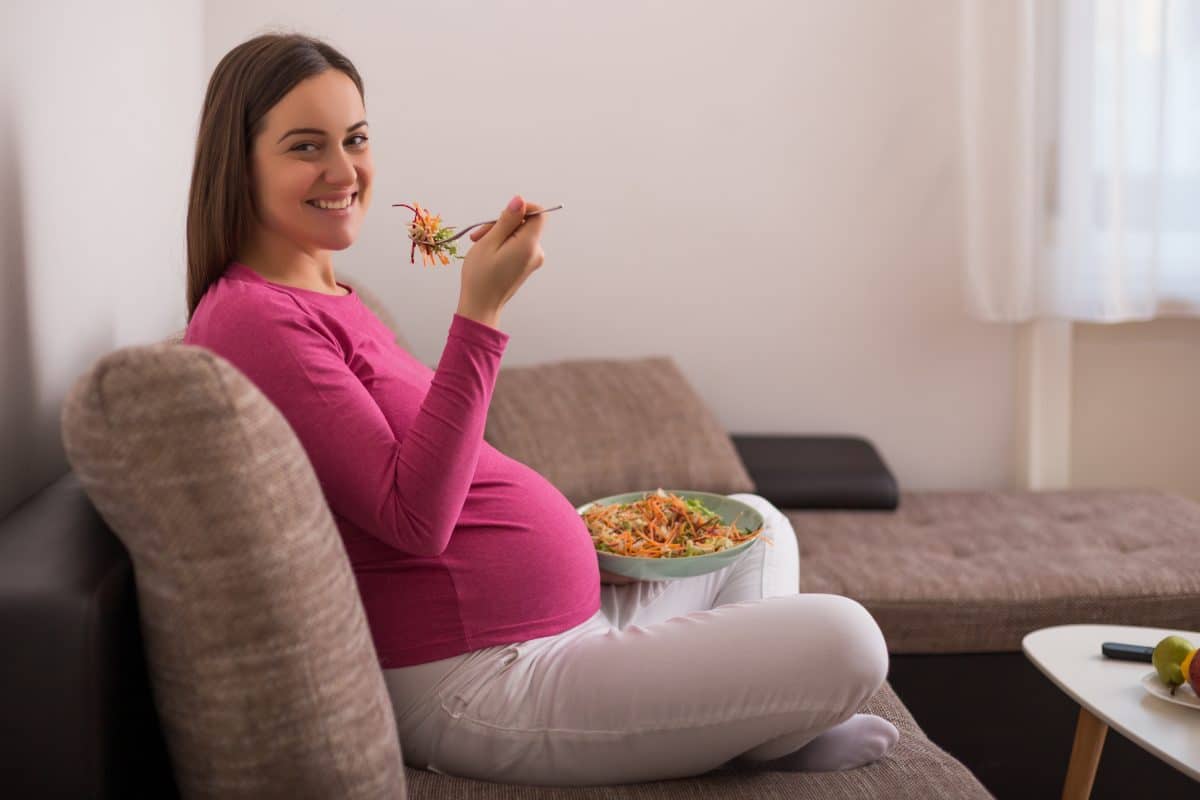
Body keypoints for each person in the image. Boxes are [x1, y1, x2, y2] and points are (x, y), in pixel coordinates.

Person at [182, 32, 899, 787]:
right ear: (242, 163)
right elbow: (415, 520)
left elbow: (444, 465)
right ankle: (761, 730)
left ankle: (752, 725)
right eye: (305, 147)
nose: (344, 170)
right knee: (849, 640)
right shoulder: (255, 322)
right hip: (479, 679)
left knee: (756, 525)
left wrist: (580, 557)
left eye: (355, 138)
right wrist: (481, 312)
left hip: (563, 625)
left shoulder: (330, 298)